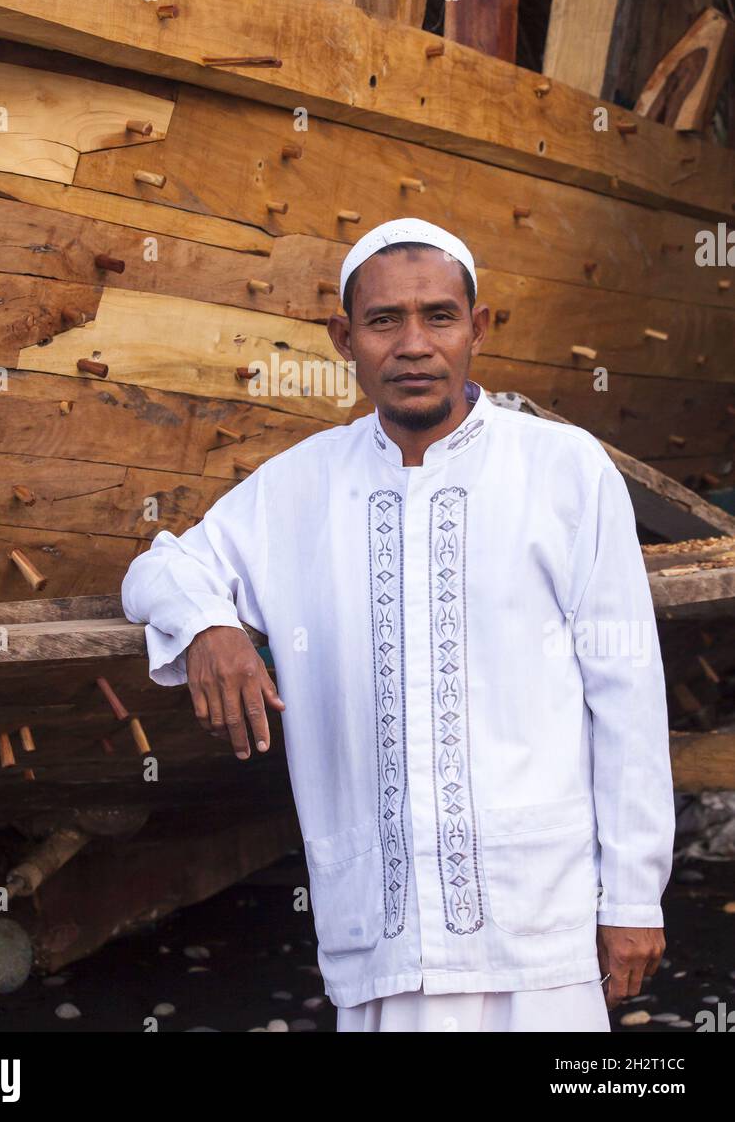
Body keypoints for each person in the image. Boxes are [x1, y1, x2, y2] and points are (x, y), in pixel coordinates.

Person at [121, 217, 675, 1032]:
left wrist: (633, 897)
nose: (413, 345)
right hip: (383, 940)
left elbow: (627, 694)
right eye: (384, 321)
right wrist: (211, 626)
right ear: (345, 338)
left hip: (539, 931)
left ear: (477, 329)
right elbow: (158, 568)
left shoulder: (565, 471)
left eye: (439, 316)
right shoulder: (299, 487)